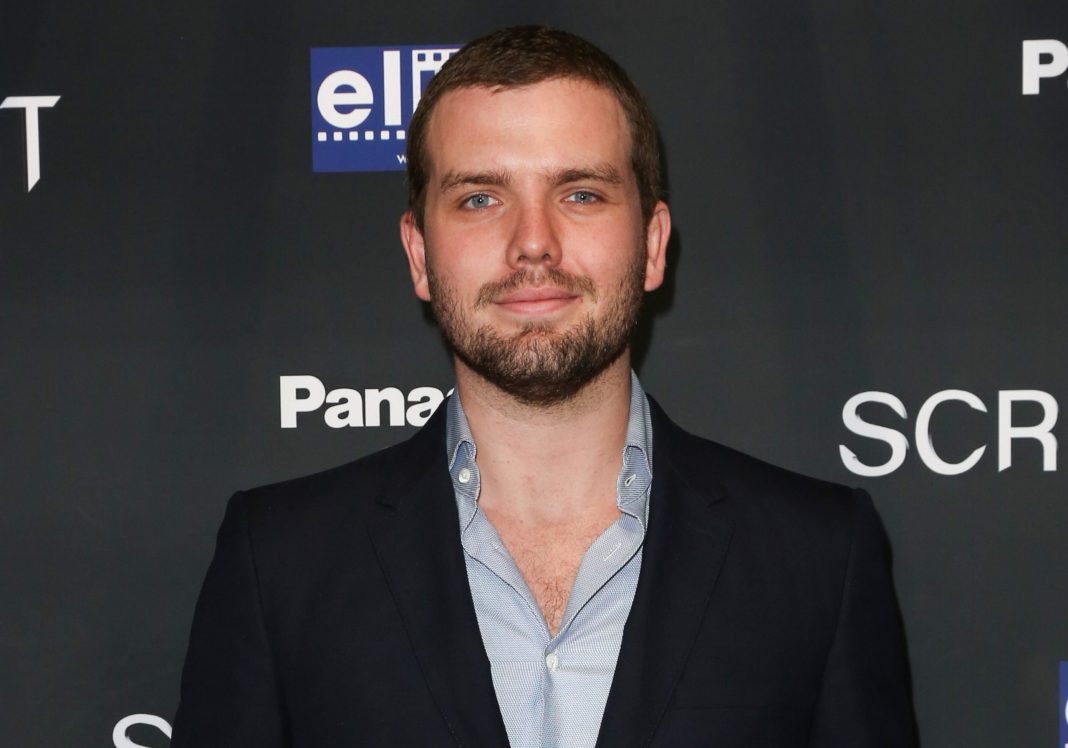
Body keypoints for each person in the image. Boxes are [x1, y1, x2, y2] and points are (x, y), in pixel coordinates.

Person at [172, 25, 917, 748]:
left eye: (581, 194)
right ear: (420, 255)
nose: (533, 242)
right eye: (480, 198)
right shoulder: (281, 564)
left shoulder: (818, 557)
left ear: (653, 245)